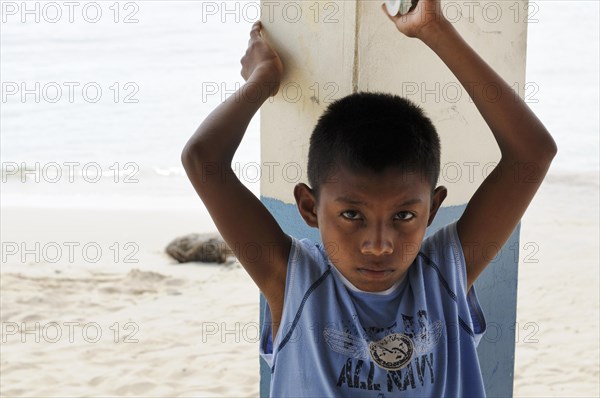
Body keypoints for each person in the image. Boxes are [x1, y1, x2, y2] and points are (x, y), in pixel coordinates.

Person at [181, 0, 557, 396]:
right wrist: (262, 79)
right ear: (310, 207)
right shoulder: (294, 282)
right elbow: (202, 160)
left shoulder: (443, 274)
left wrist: (434, 29)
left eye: (403, 216)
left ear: (432, 209)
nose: (379, 244)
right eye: (351, 214)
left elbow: (532, 155)